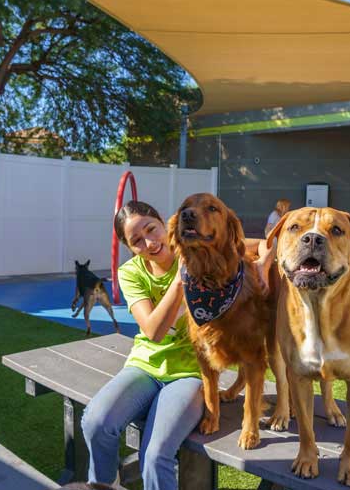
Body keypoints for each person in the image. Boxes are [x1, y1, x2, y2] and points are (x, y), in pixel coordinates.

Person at [81, 200, 273, 489]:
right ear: (130, 248)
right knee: (95, 423)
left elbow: (264, 244)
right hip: (146, 366)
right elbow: (154, 331)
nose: (149, 242)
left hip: (190, 373)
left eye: (151, 229)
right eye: (136, 241)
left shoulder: (200, 244)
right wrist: (183, 279)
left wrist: (263, 268)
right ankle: (104, 485)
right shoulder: (133, 272)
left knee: (156, 455)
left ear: (164, 225)